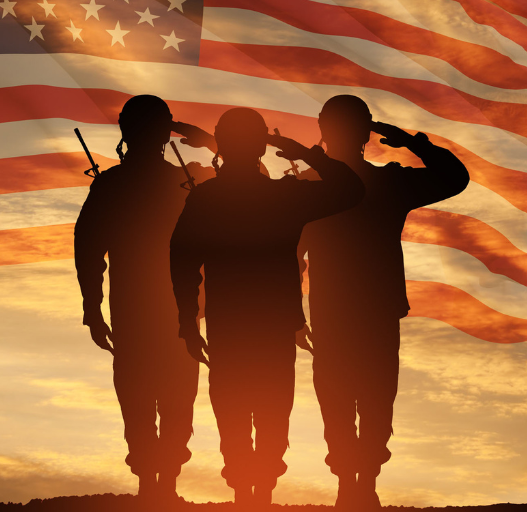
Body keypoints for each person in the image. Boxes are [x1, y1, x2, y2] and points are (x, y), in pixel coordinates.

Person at [169, 107, 364, 507]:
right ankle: (257, 493)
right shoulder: (284, 196)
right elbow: (350, 189)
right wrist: (300, 151)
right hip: (273, 324)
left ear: (222, 145)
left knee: (234, 409)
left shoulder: (208, 198)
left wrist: (189, 322)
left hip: (230, 324)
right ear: (261, 145)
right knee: (272, 408)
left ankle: (246, 493)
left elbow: (182, 260)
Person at [300, 95, 469, 509]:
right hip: (354, 307)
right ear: (365, 132)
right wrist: (408, 141)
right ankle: (355, 483)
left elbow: (456, 179)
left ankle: (358, 482)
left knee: (356, 395)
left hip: (347, 307)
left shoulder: (324, 185)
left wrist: (409, 141)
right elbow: (453, 177)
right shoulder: (382, 183)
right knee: (363, 394)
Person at [74, 95, 211, 502]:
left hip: (158, 313)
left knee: (148, 399)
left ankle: (157, 485)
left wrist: (93, 308)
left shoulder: (123, 184)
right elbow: (88, 249)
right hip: (166, 313)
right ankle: (158, 486)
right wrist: (191, 133)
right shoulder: (185, 183)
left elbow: (87, 250)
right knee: (165, 399)